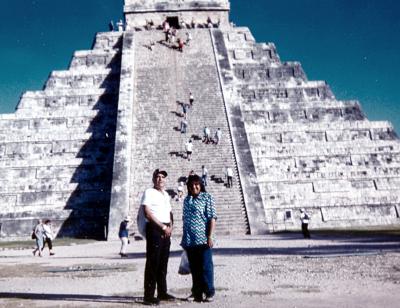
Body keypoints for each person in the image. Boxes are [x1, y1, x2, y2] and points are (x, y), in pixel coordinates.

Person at [181, 175, 217, 302]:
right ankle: (196, 292)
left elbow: (212, 218)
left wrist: (210, 236)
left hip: (203, 238)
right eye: (191, 185)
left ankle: (209, 292)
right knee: (195, 268)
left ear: (201, 185)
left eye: (196, 184)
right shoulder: (187, 200)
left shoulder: (207, 197)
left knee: (206, 266)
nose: (194, 187)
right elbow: (185, 220)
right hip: (190, 240)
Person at [142, 169, 175, 305]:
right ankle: (148, 295)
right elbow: (147, 213)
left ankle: (162, 291)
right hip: (155, 228)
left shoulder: (166, 194)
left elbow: (170, 212)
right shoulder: (149, 192)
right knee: (153, 262)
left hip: (166, 229)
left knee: (163, 261)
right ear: (153, 179)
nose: (160, 179)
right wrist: (162, 227)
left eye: (162, 177)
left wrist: (171, 227)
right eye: (157, 177)